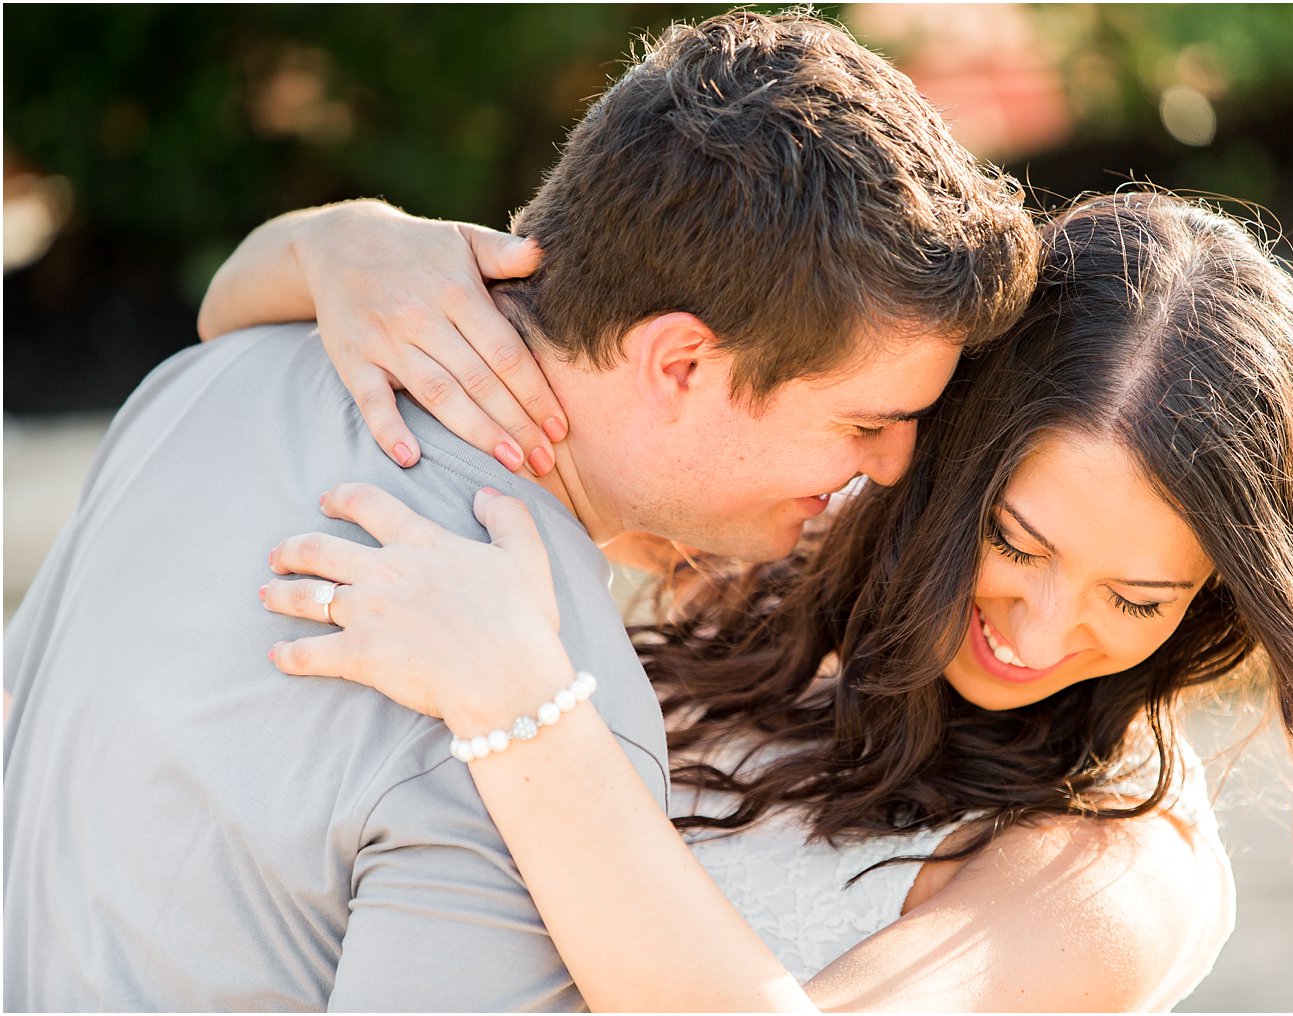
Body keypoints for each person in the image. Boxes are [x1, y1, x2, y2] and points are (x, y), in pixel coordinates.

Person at [1, 12, 1038, 1011]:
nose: (895, 465)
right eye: (865, 421)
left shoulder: (217, 374)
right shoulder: (536, 705)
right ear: (679, 361)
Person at [254, 192, 1293, 1012]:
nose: (1034, 629)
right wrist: (335, 245)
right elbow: (232, 316)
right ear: (940, 457)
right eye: (1013, 542)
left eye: (1135, 598)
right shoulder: (768, 560)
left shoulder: (1107, 865)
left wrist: (524, 705)